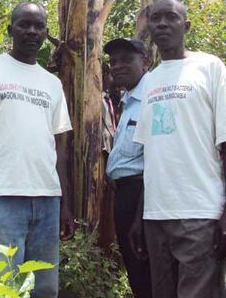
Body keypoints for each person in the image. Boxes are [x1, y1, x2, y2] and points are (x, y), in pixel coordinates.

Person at [0, 2, 74, 298]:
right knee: (0, 287)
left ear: (47, 33)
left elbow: (59, 148)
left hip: (47, 200)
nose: (32, 31)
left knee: (44, 288)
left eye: (39, 26)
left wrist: (65, 204)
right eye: (24, 24)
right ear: (11, 29)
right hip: (0, 197)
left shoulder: (52, 83)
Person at [131, 0, 226, 298]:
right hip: (156, 216)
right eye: (155, 18)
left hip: (199, 212)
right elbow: (152, 154)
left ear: (186, 25)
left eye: (170, 17)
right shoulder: (151, 81)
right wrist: (139, 217)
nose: (161, 23)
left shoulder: (210, 68)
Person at [104, 38, 152, 298]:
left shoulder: (151, 97)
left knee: (146, 272)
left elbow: (155, 160)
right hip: (125, 194)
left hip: (141, 194)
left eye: (126, 60)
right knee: (136, 271)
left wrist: (139, 217)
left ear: (145, 60)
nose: (117, 66)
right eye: (114, 62)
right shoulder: (129, 99)